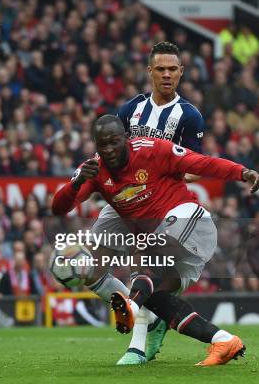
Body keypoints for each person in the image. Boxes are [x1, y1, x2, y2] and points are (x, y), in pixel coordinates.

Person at [52, 115, 259, 366]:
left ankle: (131, 306)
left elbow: (201, 163)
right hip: (160, 247)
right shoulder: (94, 170)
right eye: (102, 144)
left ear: (126, 139)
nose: (108, 150)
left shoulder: (153, 150)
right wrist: (76, 184)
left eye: (114, 142)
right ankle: (224, 340)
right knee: (157, 301)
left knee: (144, 253)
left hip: (189, 223)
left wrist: (242, 172)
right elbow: (59, 207)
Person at [82, 41, 206, 365]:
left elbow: (195, 169)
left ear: (181, 72)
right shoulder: (129, 111)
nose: (167, 75)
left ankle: (136, 345)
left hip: (159, 205)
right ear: (149, 71)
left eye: (172, 69)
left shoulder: (189, 117)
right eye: (160, 69)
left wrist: (158, 181)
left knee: (146, 267)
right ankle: (140, 310)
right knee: (89, 266)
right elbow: (112, 156)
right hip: (123, 200)